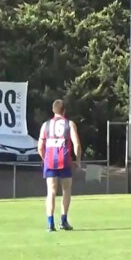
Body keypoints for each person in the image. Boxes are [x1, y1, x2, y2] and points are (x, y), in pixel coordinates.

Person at [37, 99, 82, 232]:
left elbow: (40, 147)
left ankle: (50, 223)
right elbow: (77, 144)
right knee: (66, 191)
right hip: (65, 161)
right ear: (64, 111)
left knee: (51, 191)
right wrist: (78, 160)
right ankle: (63, 220)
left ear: (53, 110)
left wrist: (46, 159)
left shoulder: (45, 125)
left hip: (50, 162)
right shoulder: (70, 124)